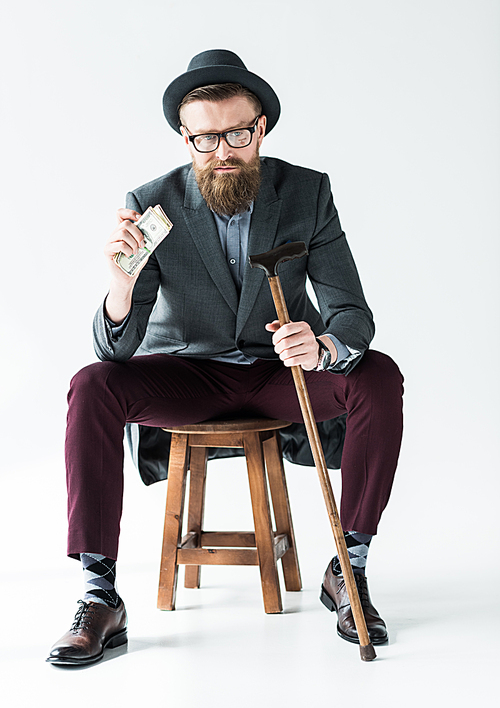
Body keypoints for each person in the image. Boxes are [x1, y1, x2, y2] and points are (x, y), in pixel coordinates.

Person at [47, 50, 404, 666]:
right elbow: (116, 350)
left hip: (280, 372)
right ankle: (99, 594)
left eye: (236, 133)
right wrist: (119, 284)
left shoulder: (307, 193)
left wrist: (323, 347)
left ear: (260, 127)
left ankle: (349, 567)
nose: (222, 151)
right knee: (91, 384)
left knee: (378, 375)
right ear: (186, 137)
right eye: (205, 138)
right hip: (188, 373)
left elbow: (353, 314)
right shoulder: (153, 203)